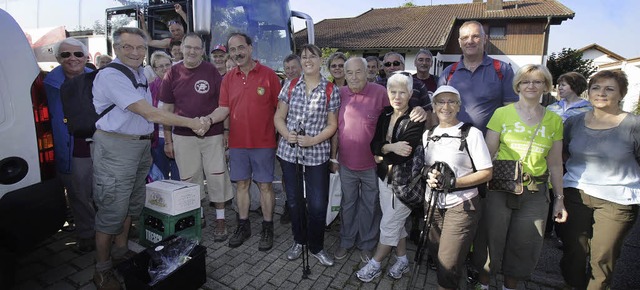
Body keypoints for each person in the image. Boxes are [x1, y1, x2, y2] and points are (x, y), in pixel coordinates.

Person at [91, 27, 209, 290]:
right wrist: (192, 122)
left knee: (130, 206)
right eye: (127, 47)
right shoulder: (112, 76)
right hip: (116, 149)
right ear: (116, 49)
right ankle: (101, 270)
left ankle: (121, 253)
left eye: (140, 47)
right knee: (112, 209)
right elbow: (151, 113)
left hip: (139, 148)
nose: (135, 52)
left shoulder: (138, 74)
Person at [474, 64, 567, 290]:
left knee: (524, 242)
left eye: (537, 81)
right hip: (501, 186)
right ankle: (483, 283)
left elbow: (555, 163)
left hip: (535, 191)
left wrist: (559, 199)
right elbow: (488, 153)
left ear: (546, 86)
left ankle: (509, 286)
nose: (531, 85)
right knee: (491, 238)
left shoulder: (554, 120)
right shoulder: (502, 114)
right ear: (518, 85)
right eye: (526, 81)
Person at [330, 57, 427, 262]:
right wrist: (333, 158)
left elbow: (399, 107)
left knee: (369, 205)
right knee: (348, 204)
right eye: (350, 73)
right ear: (344, 75)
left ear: (367, 73)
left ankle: (366, 243)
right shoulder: (339, 94)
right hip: (346, 162)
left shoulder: (380, 92)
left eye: (358, 72)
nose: (354, 77)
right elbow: (334, 129)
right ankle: (346, 241)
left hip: (373, 164)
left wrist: (419, 109)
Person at [558, 70, 639, 290]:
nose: (601, 93)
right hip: (576, 194)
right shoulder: (574, 123)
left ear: (621, 94)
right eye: (596, 87)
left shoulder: (634, 125)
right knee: (573, 252)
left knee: (602, 258)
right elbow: (562, 153)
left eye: (609, 89)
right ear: (589, 91)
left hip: (618, 200)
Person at [208, 32, 282, 251]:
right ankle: (243, 225)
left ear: (250, 48)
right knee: (241, 185)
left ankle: (268, 228)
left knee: (265, 186)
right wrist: (208, 120)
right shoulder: (228, 79)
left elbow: (281, 109)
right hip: (238, 143)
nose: (237, 53)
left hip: (264, 142)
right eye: (232, 50)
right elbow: (223, 109)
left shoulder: (269, 76)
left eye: (241, 48)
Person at [159, 33, 234, 242]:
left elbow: (223, 105)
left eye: (197, 48)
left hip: (212, 134)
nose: (192, 51)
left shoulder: (211, 71)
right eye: (188, 47)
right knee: (189, 178)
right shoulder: (172, 73)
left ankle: (220, 219)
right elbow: (166, 110)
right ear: (181, 47)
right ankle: (198, 215)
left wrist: (224, 131)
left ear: (202, 50)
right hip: (183, 136)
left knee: (217, 175)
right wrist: (168, 139)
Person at [355, 72, 425, 282]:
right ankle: (402, 260)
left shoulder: (415, 117)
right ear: (387, 92)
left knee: (388, 224)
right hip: (384, 177)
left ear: (410, 93)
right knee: (395, 222)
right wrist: (388, 147)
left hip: (403, 182)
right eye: (393, 91)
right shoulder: (385, 113)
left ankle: (375, 263)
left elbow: (405, 153)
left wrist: (381, 153)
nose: (397, 96)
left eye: (402, 92)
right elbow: (373, 144)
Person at [274, 44, 340, 266]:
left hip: (317, 155)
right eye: (304, 57)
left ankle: (316, 246)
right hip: (289, 153)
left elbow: (332, 125)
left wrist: (313, 140)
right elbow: (278, 117)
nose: (308, 60)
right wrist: (286, 134)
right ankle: (299, 240)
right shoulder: (290, 85)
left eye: (312, 56)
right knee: (294, 202)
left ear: (321, 59)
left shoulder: (331, 89)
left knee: (318, 204)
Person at [422, 85, 493, 290]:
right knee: (437, 255)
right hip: (432, 204)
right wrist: (428, 173)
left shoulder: (472, 134)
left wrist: (453, 182)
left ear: (459, 106)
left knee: (448, 261)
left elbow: (487, 172)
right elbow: (426, 165)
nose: (446, 106)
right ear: (434, 107)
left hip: (462, 205)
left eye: (451, 101)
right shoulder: (428, 135)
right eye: (441, 102)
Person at [43, 37, 96, 253]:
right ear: (57, 58)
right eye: (66, 54)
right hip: (72, 149)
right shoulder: (47, 85)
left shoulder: (99, 79)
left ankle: (110, 230)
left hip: (101, 145)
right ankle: (87, 233)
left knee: (104, 192)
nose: (72, 58)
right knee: (79, 194)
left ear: (86, 57)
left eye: (78, 54)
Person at [438, 20, 519, 133]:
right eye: (465, 37)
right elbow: (438, 109)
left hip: (489, 145)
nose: (470, 41)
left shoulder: (502, 70)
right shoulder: (448, 73)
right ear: (459, 42)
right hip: (454, 142)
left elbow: (511, 110)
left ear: (484, 38)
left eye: (475, 36)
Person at [544, 71, 591, 237]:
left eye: (563, 85)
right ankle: (547, 227)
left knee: (567, 192)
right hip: (551, 154)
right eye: (559, 85)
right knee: (550, 189)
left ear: (575, 86)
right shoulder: (552, 107)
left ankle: (563, 232)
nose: (559, 88)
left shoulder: (587, 109)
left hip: (572, 157)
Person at [278, 53, 303, 225]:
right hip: (285, 143)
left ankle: (305, 208)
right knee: (287, 179)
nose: (290, 71)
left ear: (301, 67)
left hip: (306, 143)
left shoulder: (309, 85)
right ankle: (290, 205)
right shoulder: (283, 86)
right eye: (287, 68)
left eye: (294, 67)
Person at [148, 51, 180, 181]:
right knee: (161, 177)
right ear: (154, 69)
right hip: (157, 139)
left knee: (179, 175)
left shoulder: (180, 85)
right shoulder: (150, 88)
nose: (165, 68)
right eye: (160, 66)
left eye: (167, 64)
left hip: (178, 137)